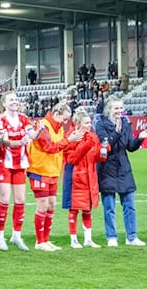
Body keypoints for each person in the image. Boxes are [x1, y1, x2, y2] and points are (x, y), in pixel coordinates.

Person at [27, 102, 80, 251]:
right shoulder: (43, 126)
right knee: (42, 205)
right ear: (57, 113)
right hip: (39, 170)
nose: (65, 122)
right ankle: (39, 241)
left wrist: (71, 140)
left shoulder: (59, 129)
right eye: (64, 119)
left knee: (51, 205)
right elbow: (49, 148)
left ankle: (46, 239)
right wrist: (68, 140)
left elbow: (61, 147)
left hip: (52, 171)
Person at [95, 96, 147, 247]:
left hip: (123, 167)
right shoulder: (101, 124)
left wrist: (139, 139)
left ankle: (132, 237)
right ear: (109, 110)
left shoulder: (125, 123)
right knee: (109, 207)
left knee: (129, 205)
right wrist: (116, 133)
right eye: (116, 108)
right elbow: (106, 144)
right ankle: (111, 237)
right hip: (107, 168)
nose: (119, 111)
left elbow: (130, 146)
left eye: (120, 108)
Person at [0, 91, 36, 251]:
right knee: (4, 199)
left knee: (20, 200)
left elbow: (32, 135)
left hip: (20, 162)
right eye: (11, 100)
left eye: (16, 99)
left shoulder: (24, 118)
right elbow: (4, 141)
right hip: (3, 161)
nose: (14, 102)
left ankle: (16, 235)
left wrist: (37, 132)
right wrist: (19, 142)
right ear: (4, 103)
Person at [61, 107, 104, 248]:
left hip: (90, 178)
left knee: (87, 209)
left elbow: (96, 158)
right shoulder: (71, 137)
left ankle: (88, 239)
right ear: (78, 124)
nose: (89, 125)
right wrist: (86, 146)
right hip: (75, 179)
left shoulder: (92, 137)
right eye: (86, 123)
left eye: (90, 122)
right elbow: (71, 159)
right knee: (73, 209)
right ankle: (74, 240)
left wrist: (103, 151)